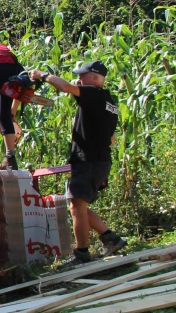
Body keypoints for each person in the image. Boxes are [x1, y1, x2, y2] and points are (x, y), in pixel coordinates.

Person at [28, 61, 127, 263]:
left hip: (88, 161)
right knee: (79, 206)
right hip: (99, 160)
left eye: (83, 75)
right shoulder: (109, 100)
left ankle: (82, 254)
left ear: (95, 77)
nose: (79, 79)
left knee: (76, 206)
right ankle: (111, 238)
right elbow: (111, 138)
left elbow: (65, 87)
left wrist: (42, 75)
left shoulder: (93, 93)